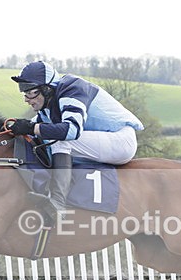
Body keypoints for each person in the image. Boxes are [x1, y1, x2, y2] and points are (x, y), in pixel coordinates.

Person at [8, 61, 144, 220]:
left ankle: (58, 202)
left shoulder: (72, 89)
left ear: (46, 89)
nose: (26, 99)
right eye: (23, 92)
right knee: (45, 139)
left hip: (121, 140)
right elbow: (33, 129)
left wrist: (31, 128)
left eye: (30, 92)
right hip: (105, 140)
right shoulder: (48, 103)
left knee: (60, 139)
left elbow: (71, 130)